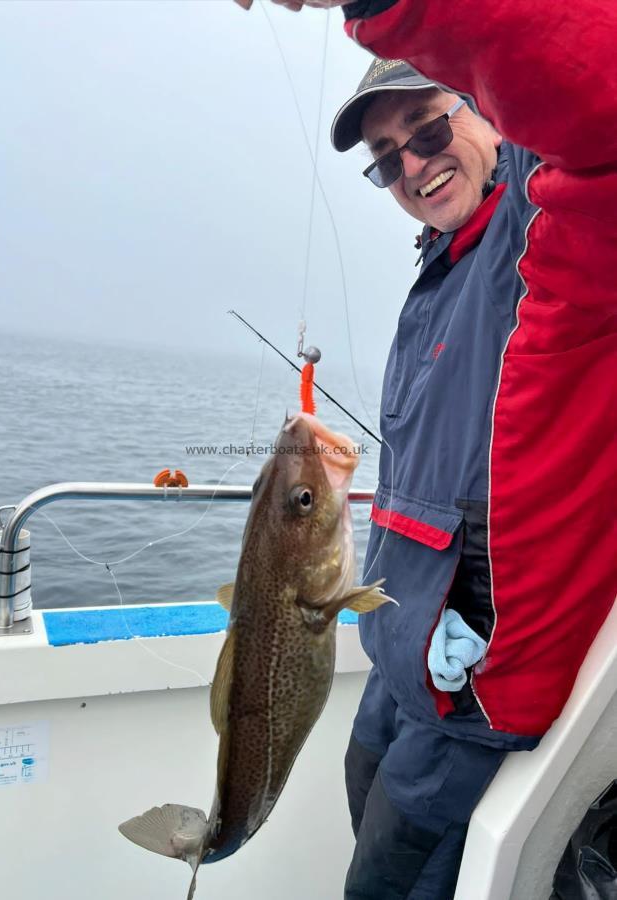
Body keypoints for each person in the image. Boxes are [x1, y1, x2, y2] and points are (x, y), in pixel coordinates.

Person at [237, 0, 617, 896]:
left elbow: (588, 100)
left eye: (426, 124)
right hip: (399, 664)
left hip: (477, 694)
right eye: (386, 161)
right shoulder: (436, 268)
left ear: (488, 109)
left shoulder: (549, 233)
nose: (411, 163)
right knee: (364, 832)